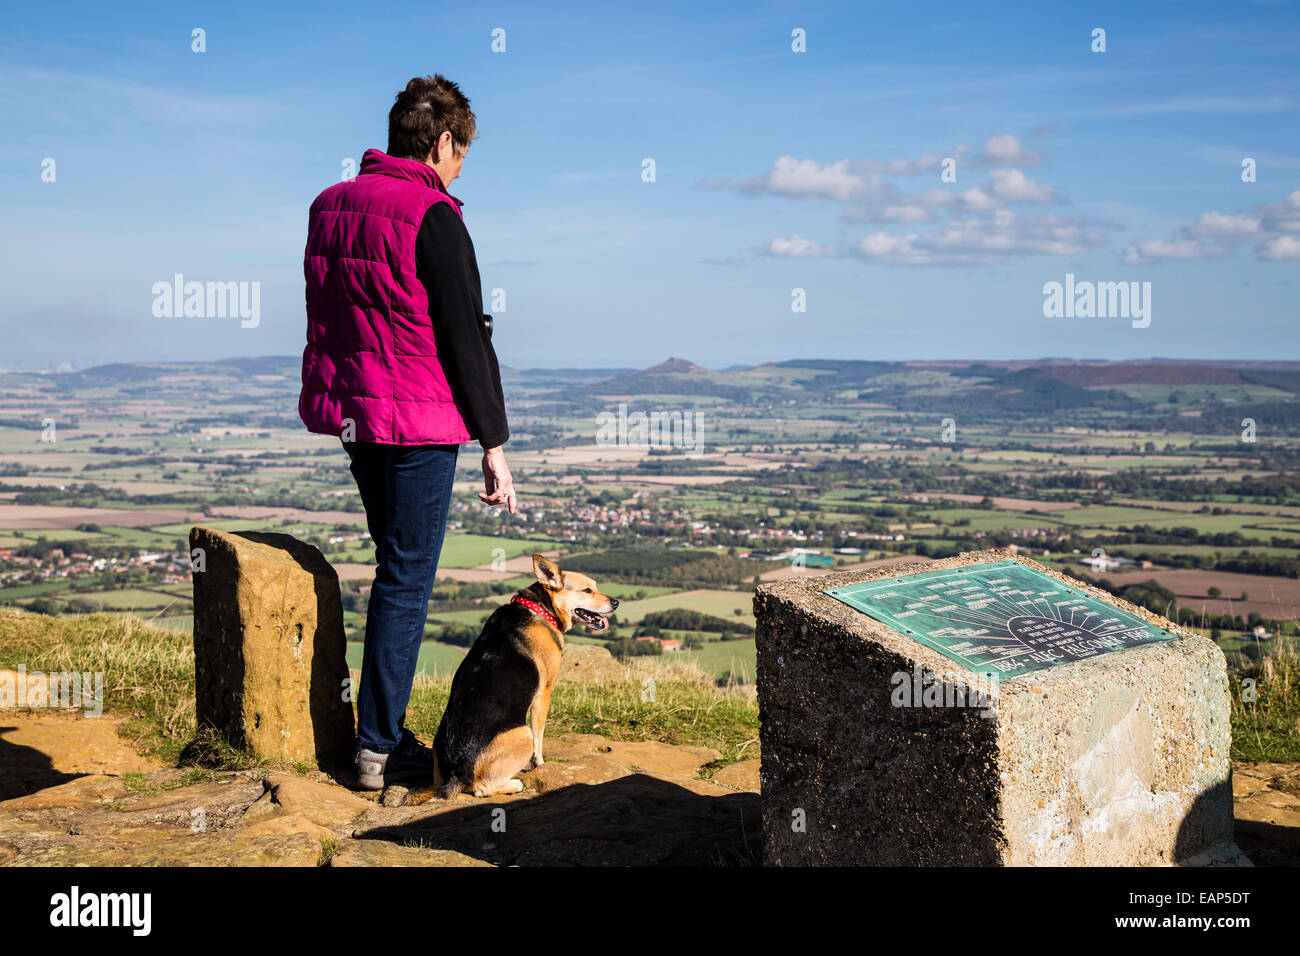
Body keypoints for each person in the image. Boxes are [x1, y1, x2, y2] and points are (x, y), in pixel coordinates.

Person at [298, 74, 516, 789]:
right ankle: (380, 749)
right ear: (445, 142)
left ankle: (374, 734)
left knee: (394, 565)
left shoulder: (330, 207)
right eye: (462, 157)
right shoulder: (433, 215)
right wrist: (494, 441)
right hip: (418, 422)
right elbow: (463, 332)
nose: (460, 171)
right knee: (407, 576)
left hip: (358, 418)